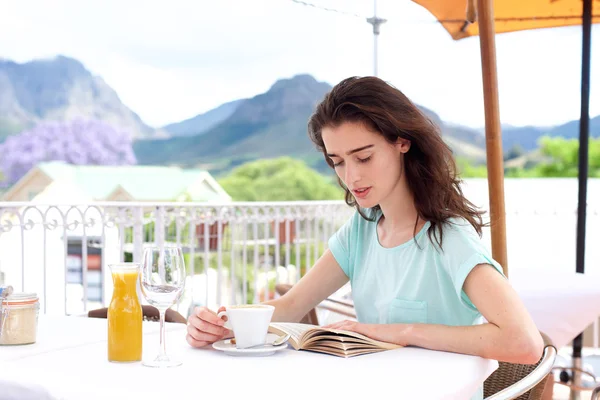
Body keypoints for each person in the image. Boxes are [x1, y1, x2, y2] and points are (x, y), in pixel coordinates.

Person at [186, 76, 543, 398]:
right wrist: (223, 324)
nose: (351, 177)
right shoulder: (362, 228)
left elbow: (524, 343)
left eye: (364, 157)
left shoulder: (449, 237)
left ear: (402, 142)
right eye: (338, 162)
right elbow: (290, 307)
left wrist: (404, 331)